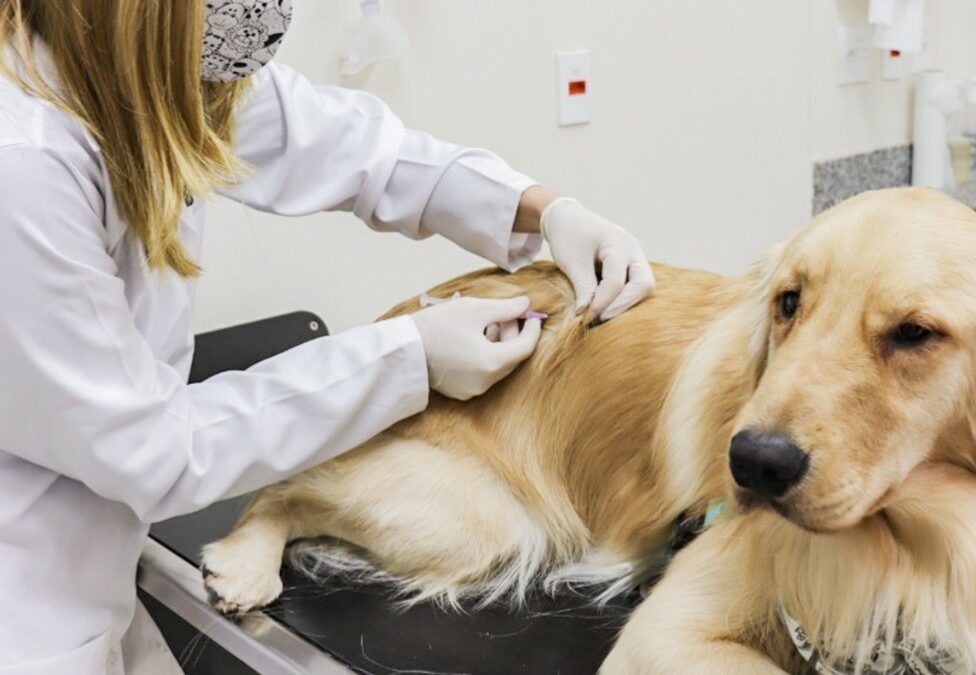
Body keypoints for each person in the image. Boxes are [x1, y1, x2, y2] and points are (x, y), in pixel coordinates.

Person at [0, 1, 654, 672]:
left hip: (95, 580)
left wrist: (549, 211)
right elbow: (150, 448)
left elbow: (360, 152)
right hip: (26, 617)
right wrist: (412, 355)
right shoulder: (22, 165)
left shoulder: (152, 63)